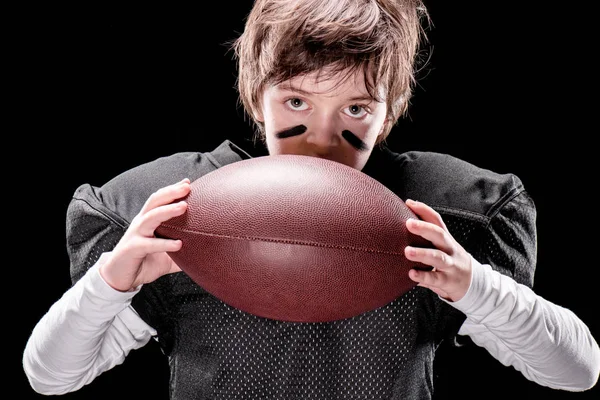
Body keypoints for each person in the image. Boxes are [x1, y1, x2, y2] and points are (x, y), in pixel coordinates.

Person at [23, 0, 599, 399]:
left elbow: (577, 372)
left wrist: (473, 283)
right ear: (256, 95)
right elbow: (50, 376)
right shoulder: (175, 212)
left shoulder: (439, 219)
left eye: (355, 109)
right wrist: (113, 279)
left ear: (389, 111)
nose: (322, 139)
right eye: (296, 102)